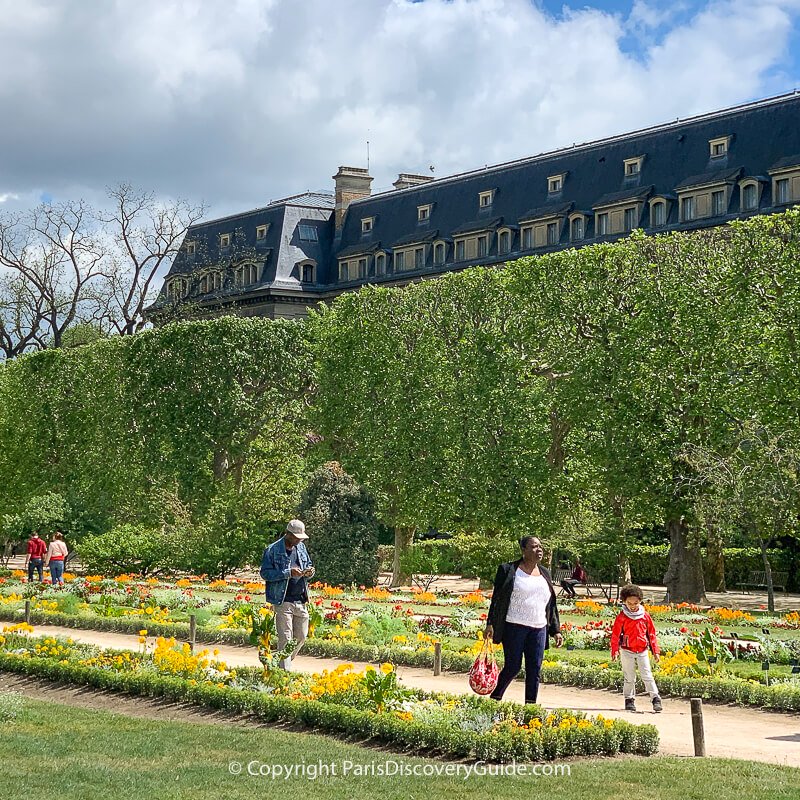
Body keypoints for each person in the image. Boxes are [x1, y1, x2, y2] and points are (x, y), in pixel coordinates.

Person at [484, 535, 563, 705]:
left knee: (534, 669)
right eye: (534, 547)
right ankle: (494, 699)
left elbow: (551, 604)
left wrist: (555, 630)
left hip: (539, 628)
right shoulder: (508, 570)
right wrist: (490, 623)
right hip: (514, 626)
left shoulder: (545, 574)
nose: (539, 550)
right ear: (523, 550)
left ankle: (530, 707)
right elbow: (497, 599)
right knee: (513, 667)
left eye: (540, 546)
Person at [259, 519, 315, 670]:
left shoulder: (301, 548)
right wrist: (288, 573)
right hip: (283, 600)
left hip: (301, 599)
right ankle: (285, 671)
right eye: (297, 537)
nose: (299, 540)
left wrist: (309, 572)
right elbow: (265, 573)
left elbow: (308, 565)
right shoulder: (272, 550)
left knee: (301, 636)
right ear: (288, 534)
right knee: (285, 638)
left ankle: (282, 661)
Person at [611, 584, 662, 713]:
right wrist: (615, 650)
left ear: (640, 601)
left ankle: (655, 698)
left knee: (647, 675)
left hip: (642, 650)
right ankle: (629, 699)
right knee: (629, 677)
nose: (633, 606)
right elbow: (616, 635)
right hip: (627, 650)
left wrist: (655, 651)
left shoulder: (645, 616)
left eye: (636, 603)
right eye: (629, 603)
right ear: (624, 602)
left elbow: (651, 634)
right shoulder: (622, 617)